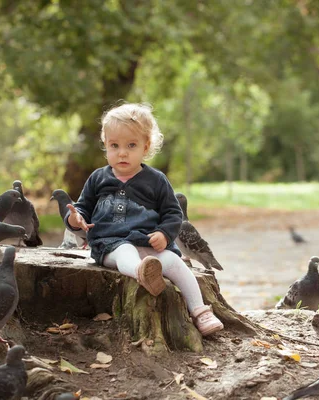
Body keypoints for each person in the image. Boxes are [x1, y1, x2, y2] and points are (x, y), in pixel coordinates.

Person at [65, 103, 223, 336]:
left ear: (145, 146)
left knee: (177, 264)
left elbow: (172, 213)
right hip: (110, 244)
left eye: (131, 145)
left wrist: (164, 234)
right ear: (105, 146)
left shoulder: (156, 180)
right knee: (125, 253)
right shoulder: (98, 178)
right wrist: (75, 219)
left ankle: (200, 311)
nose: (122, 152)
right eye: (114, 145)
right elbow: (82, 209)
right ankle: (143, 273)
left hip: (149, 244)